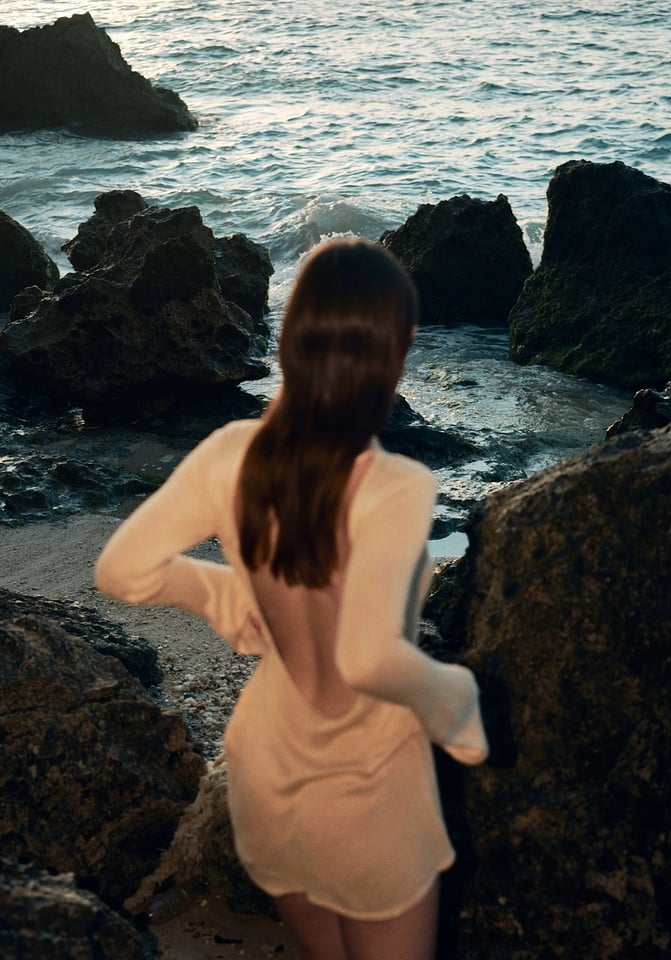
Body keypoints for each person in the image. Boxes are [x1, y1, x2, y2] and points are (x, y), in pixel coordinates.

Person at [95, 237, 488, 960]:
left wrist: (225, 593)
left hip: (269, 773)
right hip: (367, 794)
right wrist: (454, 700)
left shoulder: (228, 455)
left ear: (288, 338)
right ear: (393, 355)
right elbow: (368, 655)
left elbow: (122, 569)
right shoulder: (396, 488)